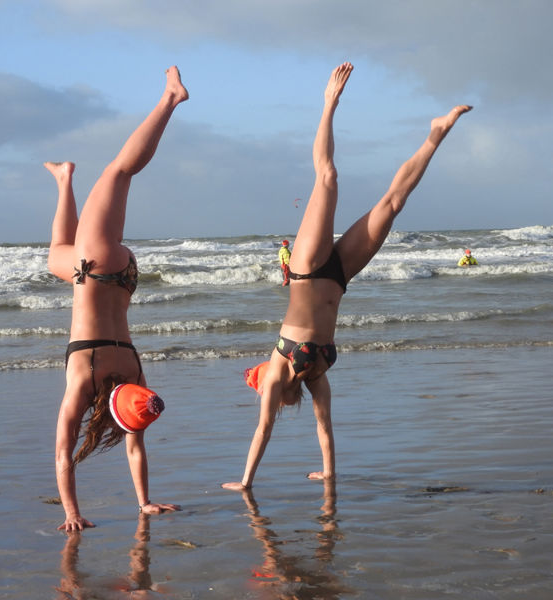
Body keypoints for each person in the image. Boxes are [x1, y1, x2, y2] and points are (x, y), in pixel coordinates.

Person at [222, 62, 471, 491]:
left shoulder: (280, 369)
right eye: (258, 378)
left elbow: (266, 431)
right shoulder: (313, 376)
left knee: (328, 177)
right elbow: (317, 428)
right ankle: (437, 132)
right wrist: (328, 474)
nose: (258, 377)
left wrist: (245, 483)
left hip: (305, 269)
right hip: (338, 277)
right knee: (392, 204)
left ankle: (328, 104)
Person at [46, 66, 188, 532]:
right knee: (118, 171)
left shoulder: (132, 374)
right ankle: (170, 99)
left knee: (55, 259)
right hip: (99, 266)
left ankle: (64, 179)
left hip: (123, 275)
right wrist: (71, 513)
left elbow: (135, 441)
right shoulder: (83, 385)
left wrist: (145, 503)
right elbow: (64, 453)